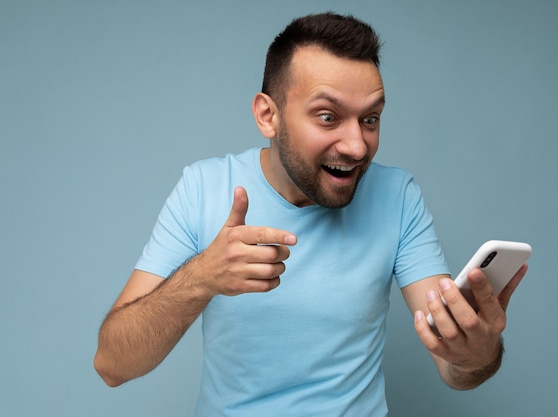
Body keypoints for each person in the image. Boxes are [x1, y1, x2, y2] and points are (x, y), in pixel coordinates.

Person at [94, 12, 527, 416]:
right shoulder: (202, 187)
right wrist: (202, 278)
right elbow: (113, 365)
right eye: (328, 116)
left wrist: (476, 354)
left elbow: (454, 368)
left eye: (370, 119)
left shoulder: (397, 196)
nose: (357, 146)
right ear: (269, 115)